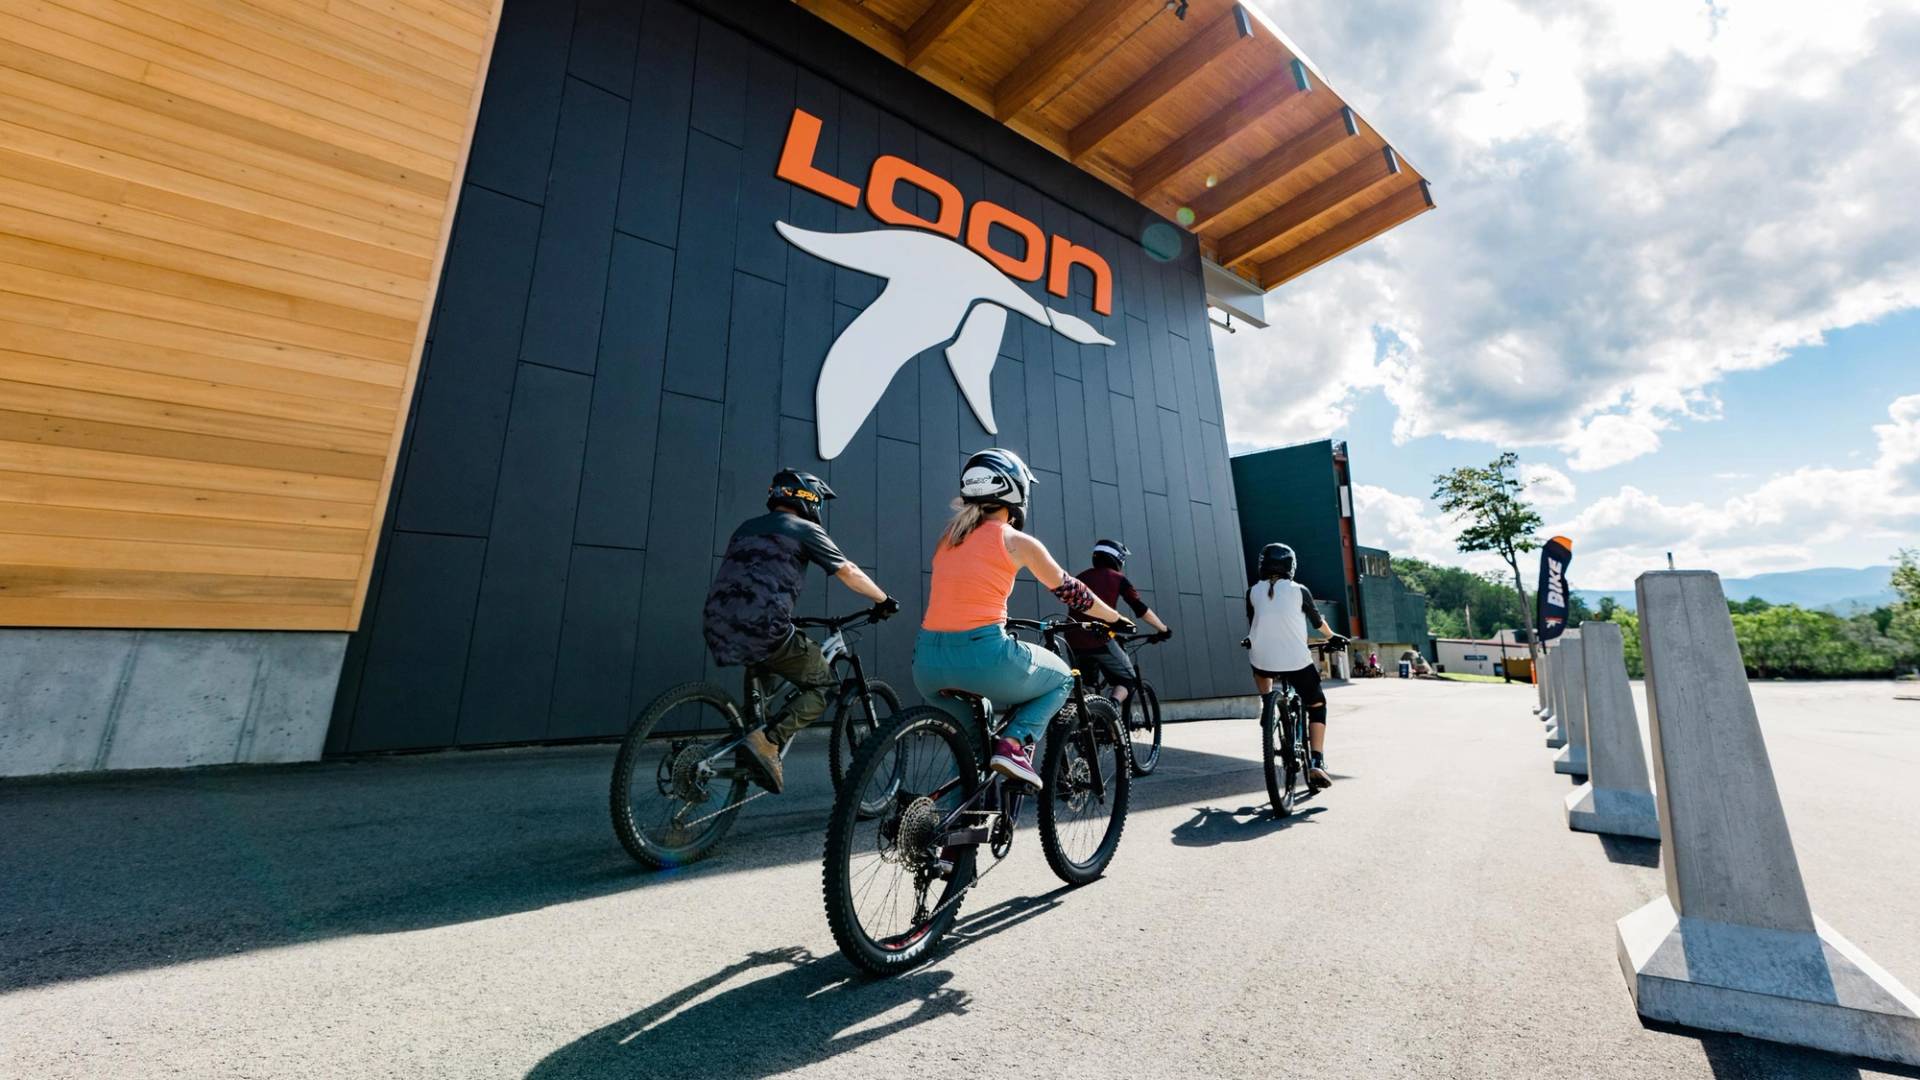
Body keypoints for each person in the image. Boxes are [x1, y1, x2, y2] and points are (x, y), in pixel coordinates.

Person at [914, 448, 1132, 789]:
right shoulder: (1015, 540)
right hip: (982, 656)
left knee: (971, 756)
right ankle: (1015, 744)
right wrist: (1116, 619)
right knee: (1062, 678)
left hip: (927, 664)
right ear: (1015, 491)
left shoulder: (949, 539)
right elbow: (1072, 592)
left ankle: (956, 834)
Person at [702, 468, 897, 794]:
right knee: (823, 685)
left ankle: (752, 740)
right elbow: (847, 571)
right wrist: (883, 599)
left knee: (767, 682)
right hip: (765, 626)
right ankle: (768, 741)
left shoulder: (745, 528)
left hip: (718, 622)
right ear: (808, 498)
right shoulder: (804, 529)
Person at [1244, 542, 1347, 790]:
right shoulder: (1299, 590)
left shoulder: (1251, 593)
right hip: (1296, 662)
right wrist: (1332, 637)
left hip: (1262, 660)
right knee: (1317, 703)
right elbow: (1317, 621)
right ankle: (1316, 760)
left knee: (1258, 664)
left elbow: (1254, 623)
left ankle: (1268, 704)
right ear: (1291, 566)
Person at [1064, 539, 1170, 710]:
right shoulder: (1117, 579)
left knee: (1086, 685)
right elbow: (1140, 608)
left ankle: (1091, 720)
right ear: (1116, 558)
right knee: (1128, 680)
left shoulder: (1080, 577)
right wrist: (1163, 629)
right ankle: (1110, 711)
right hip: (1099, 638)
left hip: (1073, 639)